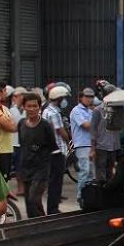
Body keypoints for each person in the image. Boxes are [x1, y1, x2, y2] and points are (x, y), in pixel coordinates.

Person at [17, 93, 56, 218]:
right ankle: (34, 226)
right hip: (26, 169)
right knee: (29, 203)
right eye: (29, 106)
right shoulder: (21, 124)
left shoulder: (45, 125)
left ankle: (42, 225)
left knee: (34, 199)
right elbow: (22, 145)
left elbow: (52, 146)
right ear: (24, 107)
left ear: (40, 107)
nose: (32, 109)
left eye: (35, 106)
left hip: (41, 169)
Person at [42, 85, 71, 215]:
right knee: (56, 181)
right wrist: (70, 143)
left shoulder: (46, 111)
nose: (65, 100)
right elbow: (61, 131)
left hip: (50, 151)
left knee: (53, 180)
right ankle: (53, 210)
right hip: (58, 151)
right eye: (63, 98)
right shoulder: (54, 113)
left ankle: (52, 208)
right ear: (58, 98)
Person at [69, 88, 96, 204]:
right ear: (81, 97)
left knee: (91, 173)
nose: (89, 99)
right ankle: (81, 196)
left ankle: (89, 196)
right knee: (84, 171)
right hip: (82, 144)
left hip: (91, 144)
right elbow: (85, 125)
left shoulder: (90, 112)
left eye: (91, 97)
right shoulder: (77, 111)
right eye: (87, 96)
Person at [90, 83, 119, 183]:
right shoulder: (97, 110)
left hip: (113, 145)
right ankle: (100, 193)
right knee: (100, 173)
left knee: (111, 172)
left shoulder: (117, 109)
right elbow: (93, 130)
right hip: (101, 146)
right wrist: (92, 149)